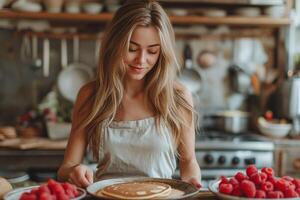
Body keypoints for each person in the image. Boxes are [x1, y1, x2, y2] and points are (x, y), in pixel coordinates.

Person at [57, 0, 201, 189]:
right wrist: (74, 171)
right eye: (131, 49)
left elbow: (189, 160)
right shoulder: (91, 94)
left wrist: (190, 181)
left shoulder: (178, 96)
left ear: (162, 52)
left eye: (152, 51)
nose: (141, 60)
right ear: (114, 44)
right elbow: (65, 168)